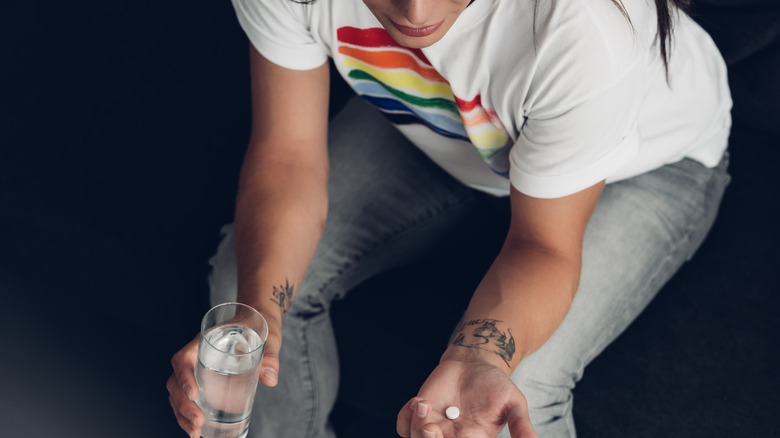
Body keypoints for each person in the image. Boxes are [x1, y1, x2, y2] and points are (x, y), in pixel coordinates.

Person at [166, 0, 732, 436]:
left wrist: (478, 356)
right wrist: (258, 318)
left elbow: (543, 245)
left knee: (516, 387)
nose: (416, 14)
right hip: (442, 125)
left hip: (646, 164)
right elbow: (287, 158)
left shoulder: (585, 31)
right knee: (243, 312)